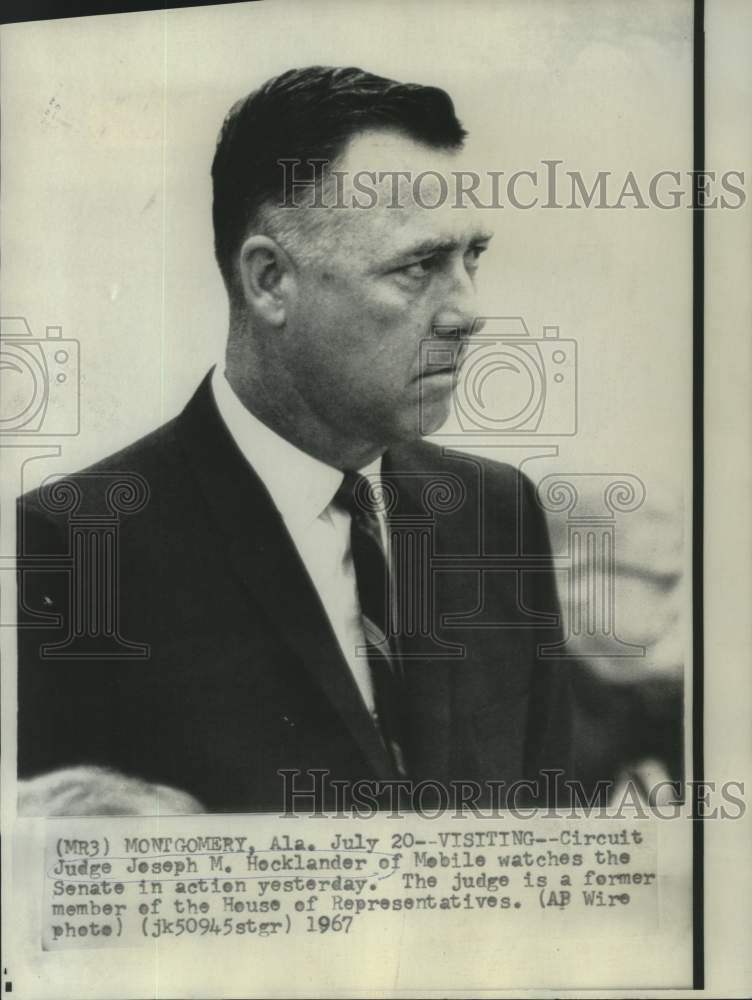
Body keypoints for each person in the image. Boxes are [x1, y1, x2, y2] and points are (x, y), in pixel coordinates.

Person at [16, 66, 680, 815]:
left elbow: (548, 839)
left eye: (472, 259)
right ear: (270, 281)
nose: (469, 312)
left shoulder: (498, 512)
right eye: (419, 266)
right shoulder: (80, 543)